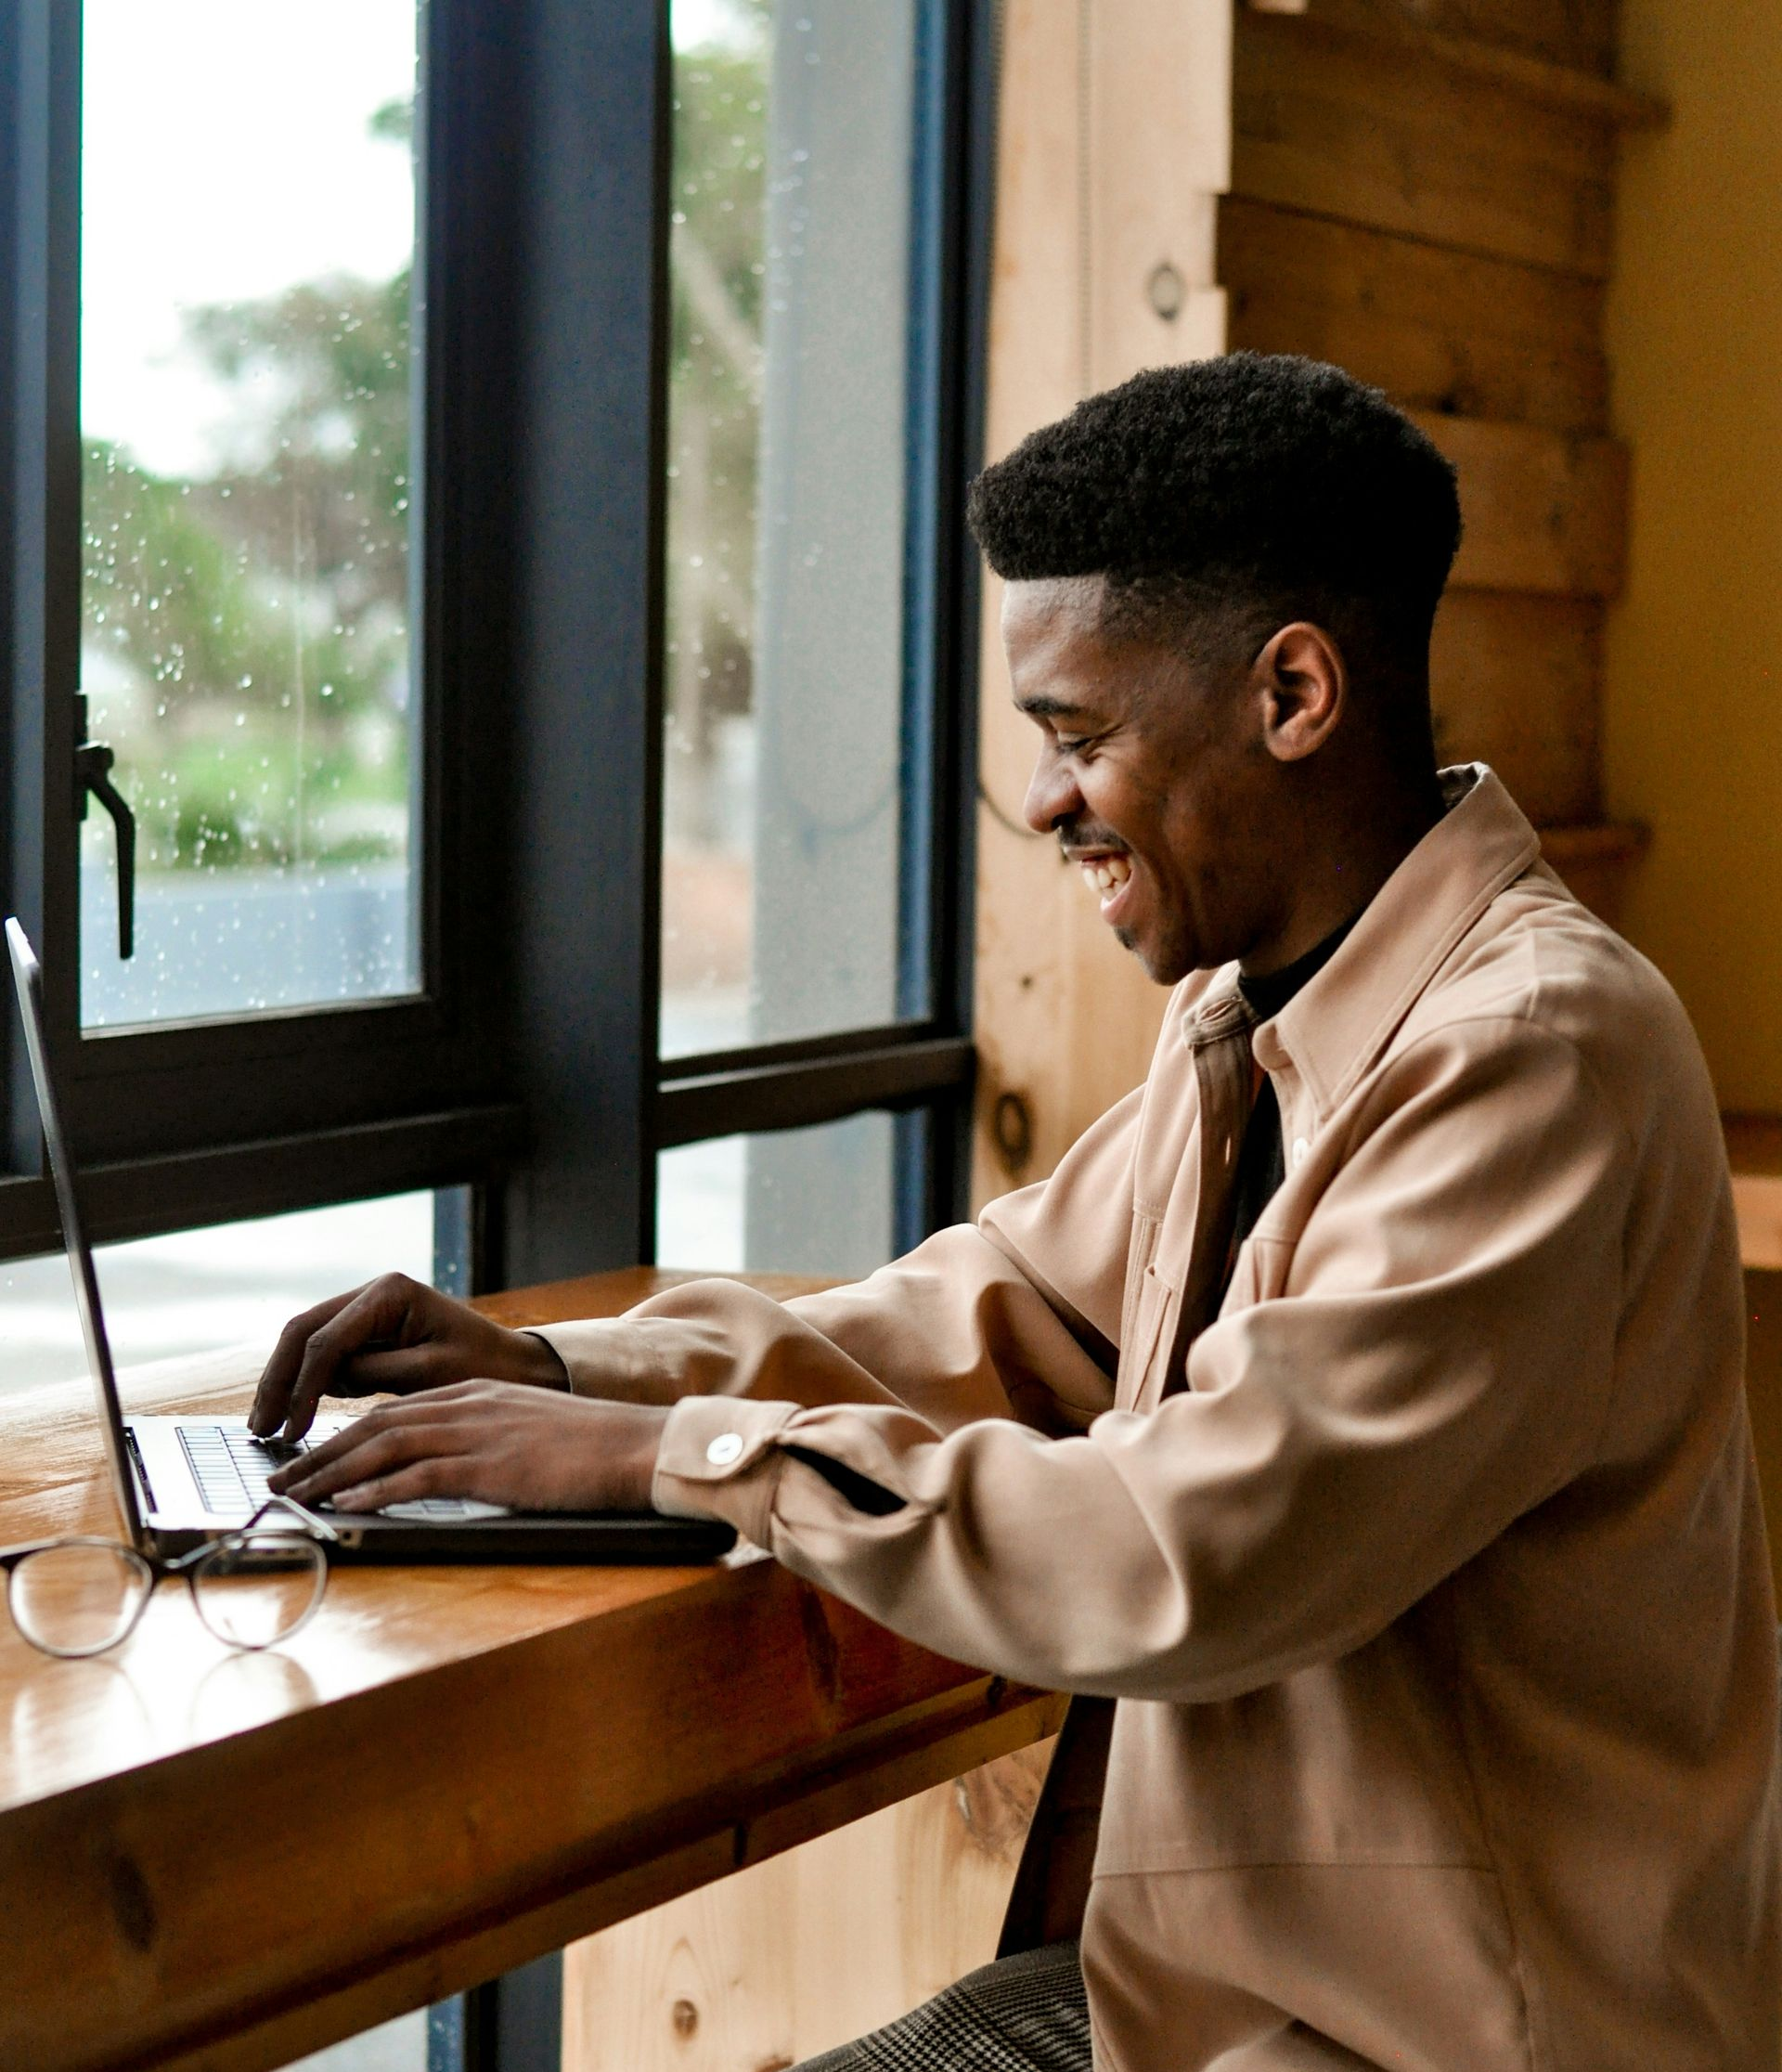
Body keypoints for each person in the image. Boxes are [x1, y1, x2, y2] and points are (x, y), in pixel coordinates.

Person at [253, 355, 1780, 2072]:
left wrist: (669, 1457)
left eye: (1081, 738)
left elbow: (1189, 1554)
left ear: (1293, 692)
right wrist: (566, 1368)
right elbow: (1005, 1312)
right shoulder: (1268, 1009)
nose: (1045, 802)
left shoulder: (1527, 1057)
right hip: (1209, 2008)